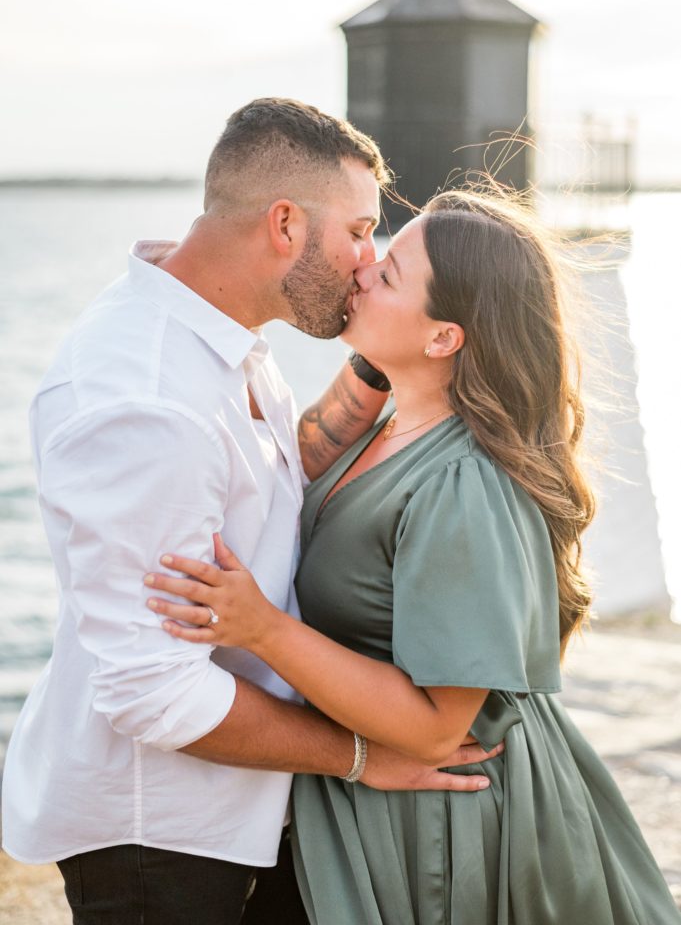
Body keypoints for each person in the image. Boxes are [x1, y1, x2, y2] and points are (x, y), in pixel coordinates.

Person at [1, 101, 500, 925]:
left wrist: (387, 364)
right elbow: (152, 695)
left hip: (240, 804)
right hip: (159, 837)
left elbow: (272, 473)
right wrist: (359, 755)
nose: (366, 261)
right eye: (359, 230)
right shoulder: (145, 401)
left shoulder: (215, 332)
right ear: (284, 224)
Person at [146, 187, 681, 924]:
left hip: (439, 825)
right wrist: (373, 355)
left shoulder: (463, 485)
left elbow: (437, 725)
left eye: (389, 273)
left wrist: (264, 630)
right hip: (365, 799)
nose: (361, 267)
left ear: (443, 339)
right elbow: (297, 463)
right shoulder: (392, 421)